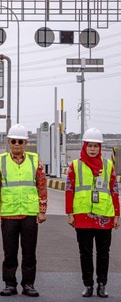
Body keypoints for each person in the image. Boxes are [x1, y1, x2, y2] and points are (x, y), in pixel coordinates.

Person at [0, 124, 47, 297]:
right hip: (9, 213)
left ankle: (28, 284)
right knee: (10, 251)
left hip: (29, 213)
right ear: (8, 142)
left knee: (29, 251)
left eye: (20, 141)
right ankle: (10, 283)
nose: (17, 144)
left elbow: (42, 186)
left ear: (26, 143)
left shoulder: (34, 160)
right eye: (13, 141)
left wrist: (42, 209)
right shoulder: (0, 161)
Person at [65, 128, 120, 298]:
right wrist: (70, 213)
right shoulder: (75, 165)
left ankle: (102, 284)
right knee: (85, 253)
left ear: (100, 147)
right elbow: (69, 190)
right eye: (90, 146)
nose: (93, 149)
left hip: (104, 216)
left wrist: (117, 214)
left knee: (104, 253)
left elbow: (114, 191)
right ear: (84, 146)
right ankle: (88, 284)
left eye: (96, 146)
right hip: (82, 216)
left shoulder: (108, 165)